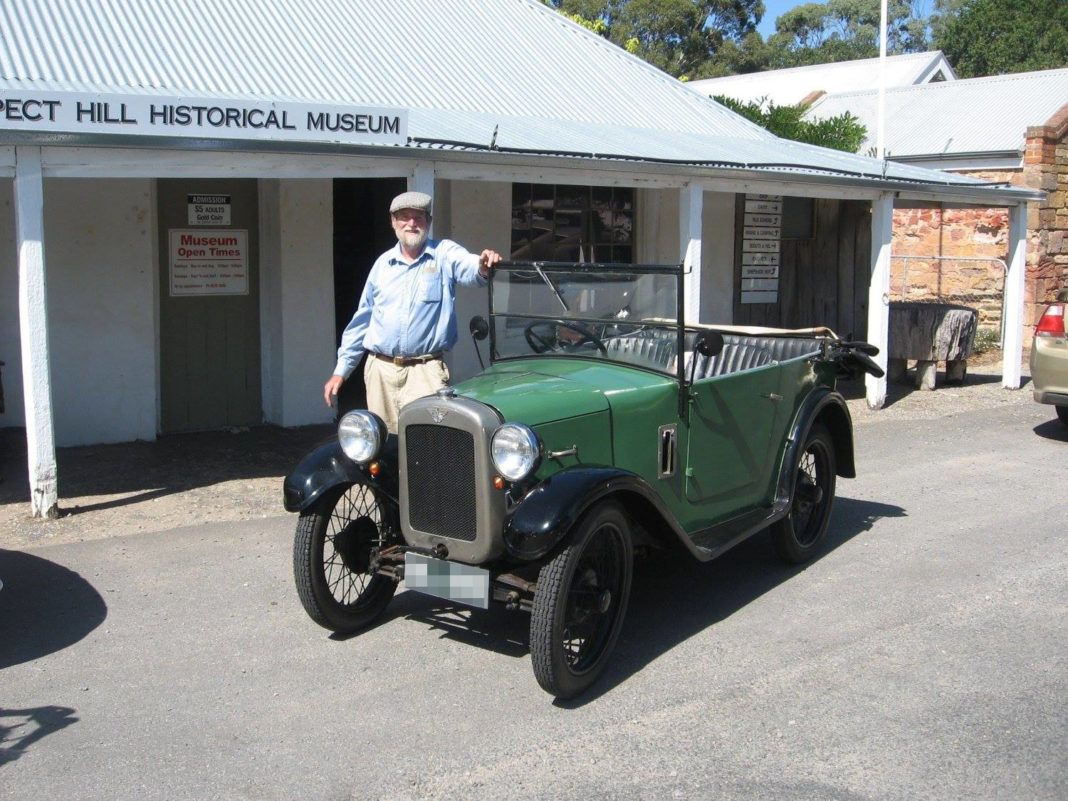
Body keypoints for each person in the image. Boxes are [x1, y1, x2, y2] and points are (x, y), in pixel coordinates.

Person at [323, 191, 502, 433]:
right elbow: (362, 321)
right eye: (404, 217)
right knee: (381, 445)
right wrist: (341, 371)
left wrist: (482, 266)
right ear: (393, 222)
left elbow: (470, 268)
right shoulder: (382, 266)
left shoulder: (444, 254)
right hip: (381, 371)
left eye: (418, 217)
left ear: (428, 222)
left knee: (426, 443)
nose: (411, 224)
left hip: (425, 372)